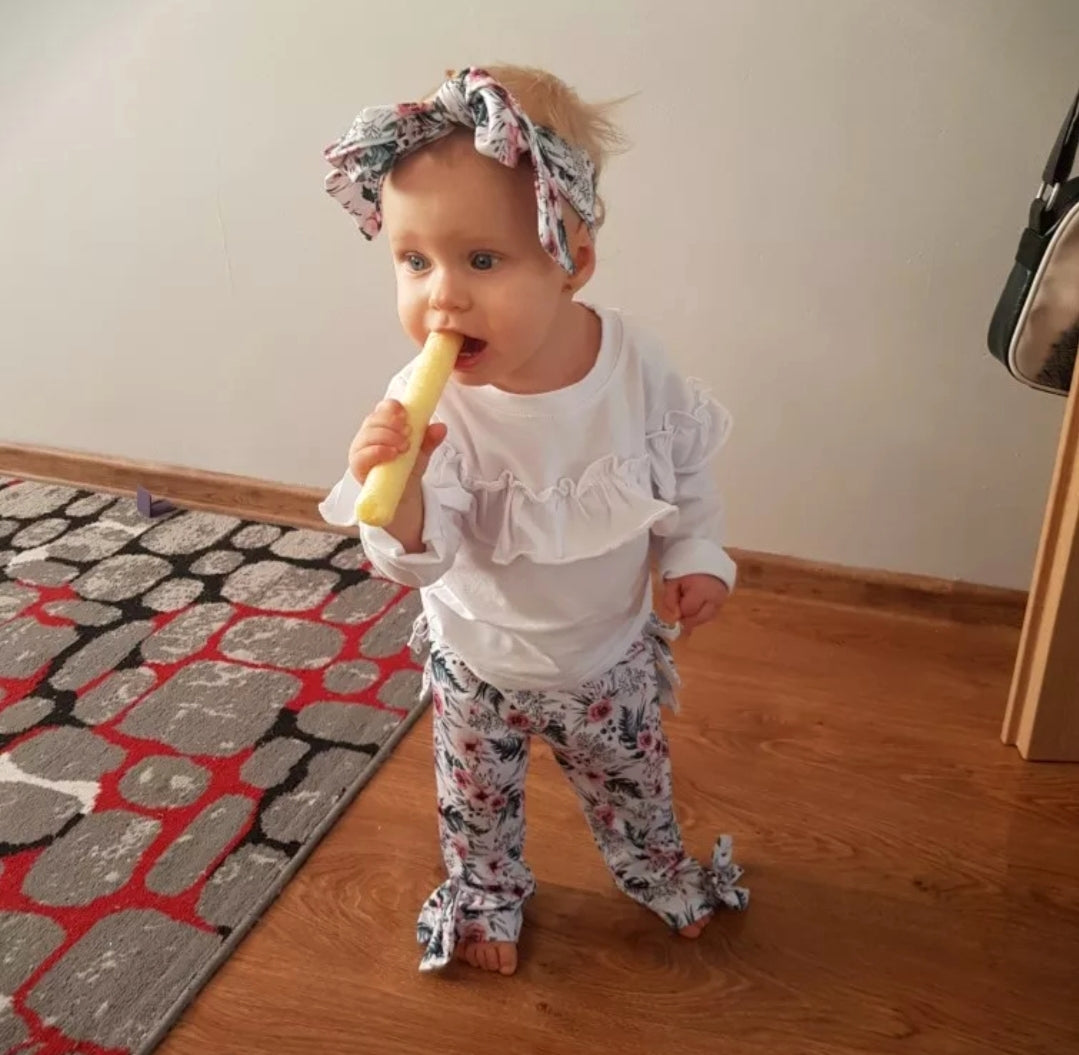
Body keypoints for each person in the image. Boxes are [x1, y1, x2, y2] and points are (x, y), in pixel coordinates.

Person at [319, 65, 748, 976]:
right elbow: (413, 561)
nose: (442, 296)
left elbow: (681, 464)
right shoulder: (423, 406)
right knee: (473, 809)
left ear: (572, 260)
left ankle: (659, 872)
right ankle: (483, 897)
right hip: (479, 664)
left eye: (482, 260)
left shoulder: (632, 364)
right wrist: (392, 483)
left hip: (608, 658)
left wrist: (694, 549)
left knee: (634, 787)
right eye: (413, 260)